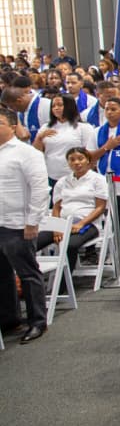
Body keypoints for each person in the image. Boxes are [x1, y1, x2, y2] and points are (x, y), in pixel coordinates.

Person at [0, 109, 51, 344]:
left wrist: (32, 221)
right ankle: (10, 318)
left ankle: (38, 321)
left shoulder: (26, 153)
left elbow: (40, 189)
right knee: (2, 274)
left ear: (12, 126)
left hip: (18, 224)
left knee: (28, 273)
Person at [37, 147, 109, 271]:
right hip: (63, 223)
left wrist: (81, 223)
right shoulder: (62, 182)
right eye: (72, 160)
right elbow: (56, 207)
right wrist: (56, 227)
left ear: (88, 160)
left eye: (80, 159)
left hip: (88, 224)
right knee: (32, 243)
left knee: (69, 245)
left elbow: (100, 207)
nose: (76, 162)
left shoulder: (98, 180)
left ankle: (64, 281)